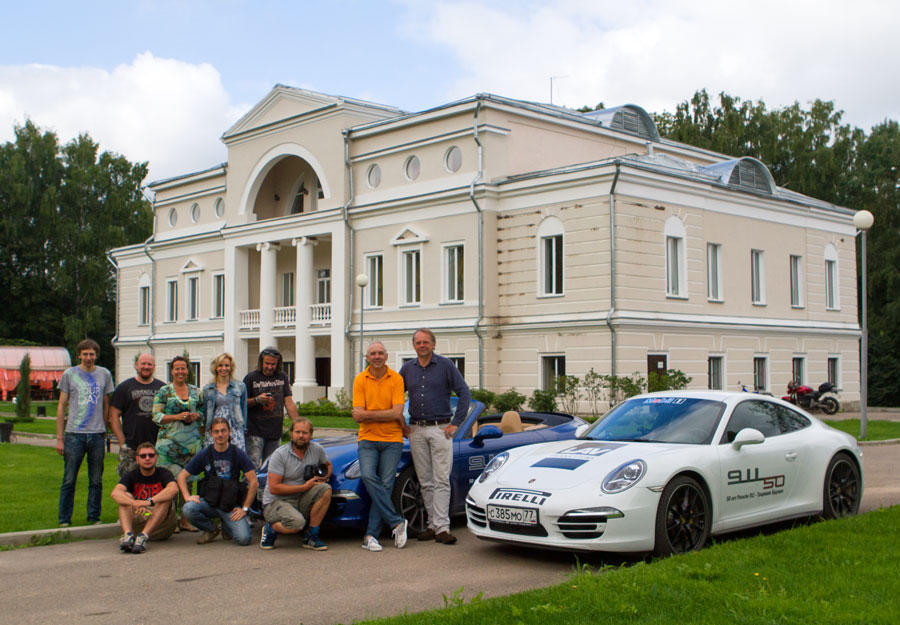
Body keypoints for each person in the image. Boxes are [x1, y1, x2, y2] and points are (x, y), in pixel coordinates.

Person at [399, 329, 471, 545]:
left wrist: (456, 423)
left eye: (426, 342)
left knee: (441, 479)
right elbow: (394, 396)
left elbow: (464, 393)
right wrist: (401, 423)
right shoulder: (407, 369)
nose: (422, 345)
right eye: (418, 342)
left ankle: (442, 528)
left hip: (440, 428)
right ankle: (431, 524)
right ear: (414, 345)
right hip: (416, 430)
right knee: (425, 480)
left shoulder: (446, 366)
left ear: (433, 344)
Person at [352, 341, 408, 552]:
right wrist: (385, 414)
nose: (376, 356)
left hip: (392, 439)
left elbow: (397, 413)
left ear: (386, 356)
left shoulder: (396, 378)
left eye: (380, 353)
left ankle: (370, 536)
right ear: (367, 357)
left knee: (385, 485)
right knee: (367, 476)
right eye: (373, 353)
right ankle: (396, 522)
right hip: (367, 438)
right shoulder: (360, 379)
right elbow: (357, 416)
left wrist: (368, 414)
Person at [56, 338, 115, 527]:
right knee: (69, 479)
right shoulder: (69, 374)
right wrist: (60, 438)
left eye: (91, 354)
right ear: (79, 355)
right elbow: (61, 405)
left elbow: (106, 403)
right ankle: (64, 519)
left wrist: (105, 427)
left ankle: (94, 516)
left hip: (97, 434)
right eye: (85, 354)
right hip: (74, 434)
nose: (88, 358)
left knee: (96, 479)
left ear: (96, 355)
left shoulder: (104, 374)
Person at [177, 417, 258, 545]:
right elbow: (182, 476)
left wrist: (245, 508)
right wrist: (187, 497)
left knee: (243, 539)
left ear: (229, 432)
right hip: (210, 502)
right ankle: (211, 529)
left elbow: (253, 481)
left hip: (230, 505)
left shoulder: (238, 453)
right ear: (211, 433)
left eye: (223, 431)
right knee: (188, 508)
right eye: (216, 431)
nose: (220, 435)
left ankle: (226, 526)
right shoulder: (204, 454)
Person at [259, 418, 332, 550]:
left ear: (311, 435)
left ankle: (311, 536)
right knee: (297, 524)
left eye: (305, 433)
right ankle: (270, 527)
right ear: (291, 433)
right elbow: (274, 488)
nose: (301, 436)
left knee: (325, 489)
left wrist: (324, 477)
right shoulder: (280, 454)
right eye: (297, 432)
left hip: (300, 497)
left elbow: (327, 465)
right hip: (276, 502)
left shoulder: (317, 450)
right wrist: (304, 487)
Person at [152, 355, 203, 531]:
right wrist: (176, 417)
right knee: (169, 482)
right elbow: (156, 416)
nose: (180, 372)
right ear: (172, 371)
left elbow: (204, 414)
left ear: (187, 370)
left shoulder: (196, 391)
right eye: (177, 368)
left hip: (191, 444)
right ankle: (170, 520)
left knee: (188, 482)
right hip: (169, 444)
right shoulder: (164, 391)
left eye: (183, 368)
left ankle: (186, 519)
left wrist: (197, 416)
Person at [110, 442, 178, 553]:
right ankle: (128, 536)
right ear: (137, 459)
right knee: (124, 496)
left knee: (165, 498)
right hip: (141, 515)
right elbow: (115, 493)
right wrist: (134, 503)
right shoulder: (131, 475)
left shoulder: (164, 473)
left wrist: (149, 502)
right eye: (143, 456)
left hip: (162, 524)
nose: (147, 458)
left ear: (156, 458)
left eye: (151, 455)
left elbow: (173, 489)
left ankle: (143, 537)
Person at [109, 353, 165, 478]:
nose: (146, 367)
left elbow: (169, 416)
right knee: (128, 487)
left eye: (149, 364)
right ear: (136, 365)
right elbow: (113, 416)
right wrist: (122, 442)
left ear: (154, 366)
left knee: (156, 486)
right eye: (143, 364)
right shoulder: (124, 388)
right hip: (131, 447)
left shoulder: (163, 388)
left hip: (157, 447)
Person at [243, 347, 300, 468]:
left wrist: (298, 424)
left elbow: (288, 401)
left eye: (273, 364)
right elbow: (241, 402)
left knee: (273, 467)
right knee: (252, 465)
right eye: (267, 363)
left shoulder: (282, 377)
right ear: (261, 363)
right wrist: (257, 400)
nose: (270, 367)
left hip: (275, 431)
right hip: (254, 431)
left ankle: (267, 487)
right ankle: (251, 487)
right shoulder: (251, 378)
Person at [200, 353, 248, 450]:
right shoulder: (208, 389)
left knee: (236, 457)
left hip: (235, 426)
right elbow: (205, 411)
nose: (224, 368)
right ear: (216, 368)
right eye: (220, 365)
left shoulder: (240, 386)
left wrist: (243, 428)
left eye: (227, 365)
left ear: (231, 368)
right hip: (215, 427)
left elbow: (244, 409)